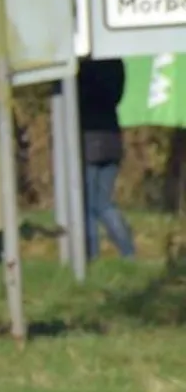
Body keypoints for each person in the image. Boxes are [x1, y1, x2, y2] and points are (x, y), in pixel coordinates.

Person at [76, 56, 137, 260]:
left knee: (89, 205)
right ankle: (128, 252)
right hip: (112, 138)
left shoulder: (82, 68)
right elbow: (117, 97)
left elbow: (78, 99)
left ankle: (91, 257)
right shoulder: (115, 64)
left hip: (88, 140)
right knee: (104, 203)